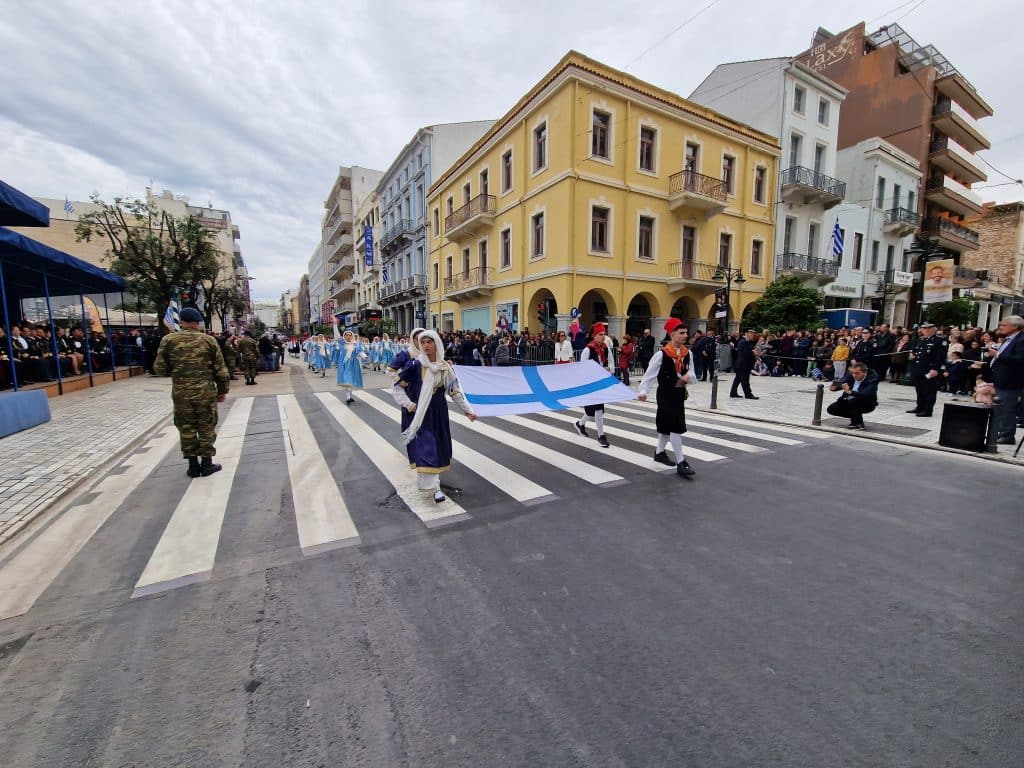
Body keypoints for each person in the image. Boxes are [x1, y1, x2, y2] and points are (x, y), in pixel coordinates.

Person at [390, 330, 477, 503]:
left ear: (437, 344)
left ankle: (433, 483)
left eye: (429, 342)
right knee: (425, 447)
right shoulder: (415, 365)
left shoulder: (445, 368)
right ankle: (435, 488)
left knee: (437, 446)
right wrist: (409, 404)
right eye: (423, 342)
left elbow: (455, 392)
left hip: (438, 412)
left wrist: (468, 411)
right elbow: (396, 386)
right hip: (421, 413)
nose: (425, 345)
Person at [154, 307, 230, 478]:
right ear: (197, 323)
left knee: (186, 428)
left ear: (181, 321)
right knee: (206, 426)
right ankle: (207, 463)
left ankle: (193, 466)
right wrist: (222, 390)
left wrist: (177, 372)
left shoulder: (168, 340)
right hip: (205, 393)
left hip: (181, 394)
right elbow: (221, 371)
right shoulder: (209, 341)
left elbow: (159, 369)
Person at [637, 317, 696, 477]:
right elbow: (649, 376)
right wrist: (643, 391)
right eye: (681, 333)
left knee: (666, 427)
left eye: (685, 332)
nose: (685, 335)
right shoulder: (661, 355)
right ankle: (681, 462)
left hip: (678, 394)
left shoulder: (687, 353)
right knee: (675, 426)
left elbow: (692, 373)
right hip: (665, 394)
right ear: (671, 334)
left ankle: (659, 453)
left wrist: (688, 377)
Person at [574, 322, 614, 447]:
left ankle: (580, 424)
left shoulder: (605, 349)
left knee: (592, 411)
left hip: (601, 382)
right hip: (591, 384)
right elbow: (582, 368)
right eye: (600, 334)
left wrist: (609, 369)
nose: (603, 337)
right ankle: (601, 436)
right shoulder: (588, 350)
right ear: (594, 335)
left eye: (604, 334)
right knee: (598, 409)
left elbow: (612, 364)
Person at [987, 315, 1024, 445]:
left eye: (1004, 325)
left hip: (1010, 381)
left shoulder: (1020, 340)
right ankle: (1001, 432)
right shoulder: (1008, 339)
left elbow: (1020, 360)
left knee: (1007, 409)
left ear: (1015, 326)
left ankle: (1007, 436)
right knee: (1000, 409)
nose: (1001, 327)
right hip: (1000, 379)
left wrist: (998, 354)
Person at [907, 322, 947, 417]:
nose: (923, 331)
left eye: (925, 329)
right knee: (919, 389)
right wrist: (913, 354)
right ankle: (920, 406)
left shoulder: (939, 340)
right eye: (923, 329)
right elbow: (918, 351)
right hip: (919, 368)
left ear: (931, 330)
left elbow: (940, 357)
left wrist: (935, 369)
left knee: (929, 390)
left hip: (930, 369)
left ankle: (927, 410)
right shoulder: (922, 339)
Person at [827, 361, 879, 430]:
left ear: (864, 372)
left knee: (853, 401)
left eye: (857, 373)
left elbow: (865, 394)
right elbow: (843, 383)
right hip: (849, 400)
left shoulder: (873, 378)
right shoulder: (850, 374)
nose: (854, 375)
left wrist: (850, 392)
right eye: (852, 373)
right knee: (831, 409)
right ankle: (856, 418)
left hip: (867, 402)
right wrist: (835, 388)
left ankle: (856, 422)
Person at [333, 324, 367, 404]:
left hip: (353, 364)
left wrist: (365, 357)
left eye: (350, 335)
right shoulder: (342, 343)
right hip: (344, 363)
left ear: (352, 336)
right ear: (344, 336)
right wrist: (335, 325)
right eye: (347, 335)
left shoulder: (356, 344)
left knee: (350, 380)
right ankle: (348, 397)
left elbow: (360, 351)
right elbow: (337, 335)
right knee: (347, 379)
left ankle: (349, 396)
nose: (348, 337)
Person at [729, 328, 759, 399]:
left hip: (741, 364)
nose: (752, 334)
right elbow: (745, 353)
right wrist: (753, 352)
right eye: (751, 333)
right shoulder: (744, 342)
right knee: (745, 380)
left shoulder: (744, 341)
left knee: (738, 379)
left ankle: (733, 393)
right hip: (743, 364)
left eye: (752, 333)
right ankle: (748, 394)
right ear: (746, 333)